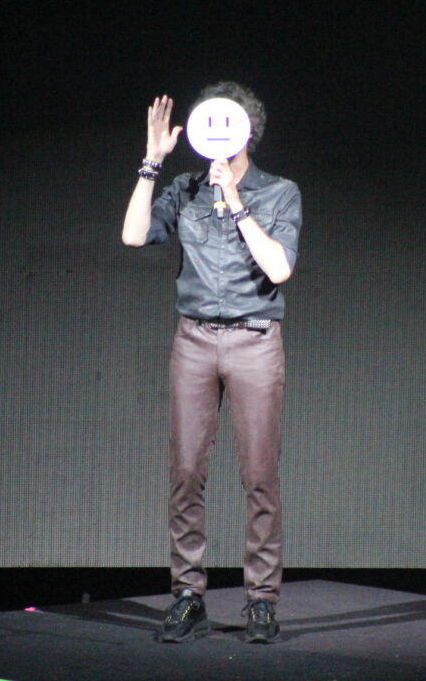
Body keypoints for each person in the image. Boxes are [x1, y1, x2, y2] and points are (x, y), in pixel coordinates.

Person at [122, 82, 301, 644]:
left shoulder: (279, 192)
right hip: (195, 339)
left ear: (246, 132)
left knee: (260, 477)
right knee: (186, 473)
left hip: (254, 338)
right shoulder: (186, 189)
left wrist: (237, 202)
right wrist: (152, 162)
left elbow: (279, 269)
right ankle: (187, 595)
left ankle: (262, 600)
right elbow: (133, 235)